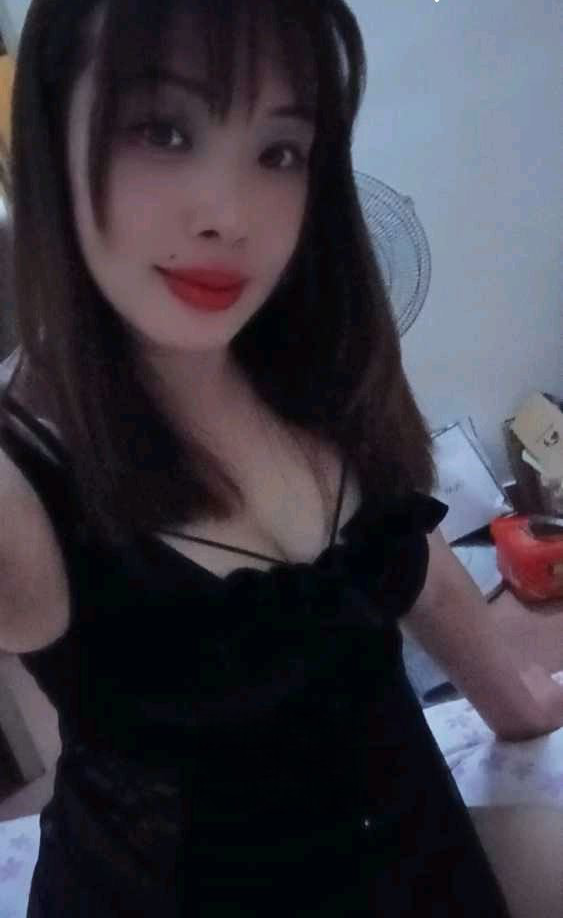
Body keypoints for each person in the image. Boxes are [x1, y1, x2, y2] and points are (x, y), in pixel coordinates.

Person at [0, 1, 560, 914]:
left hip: (424, 869)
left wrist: (517, 704)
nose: (230, 217)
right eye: (162, 130)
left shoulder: (315, 362)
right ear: (52, 138)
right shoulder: (22, 476)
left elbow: (407, 558)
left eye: (279, 152)